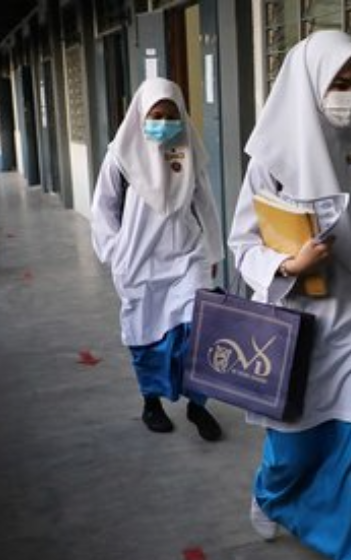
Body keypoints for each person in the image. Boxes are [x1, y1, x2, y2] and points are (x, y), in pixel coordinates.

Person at [227, 31, 351, 560]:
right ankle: (269, 494)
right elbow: (242, 244)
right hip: (298, 324)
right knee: (294, 449)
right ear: (309, 85)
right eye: (339, 84)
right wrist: (286, 265)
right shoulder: (272, 156)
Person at [90, 77, 225, 442]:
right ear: (140, 115)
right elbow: (103, 206)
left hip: (187, 257)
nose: (164, 122)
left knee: (198, 332)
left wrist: (212, 252)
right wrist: (115, 251)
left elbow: (206, 204)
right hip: (139, 262)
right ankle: (152, 402)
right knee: (145, 335)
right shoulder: (121, 153)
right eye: (156, 114)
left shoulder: (189, 149)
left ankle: (198, 404)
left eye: (171, 115)